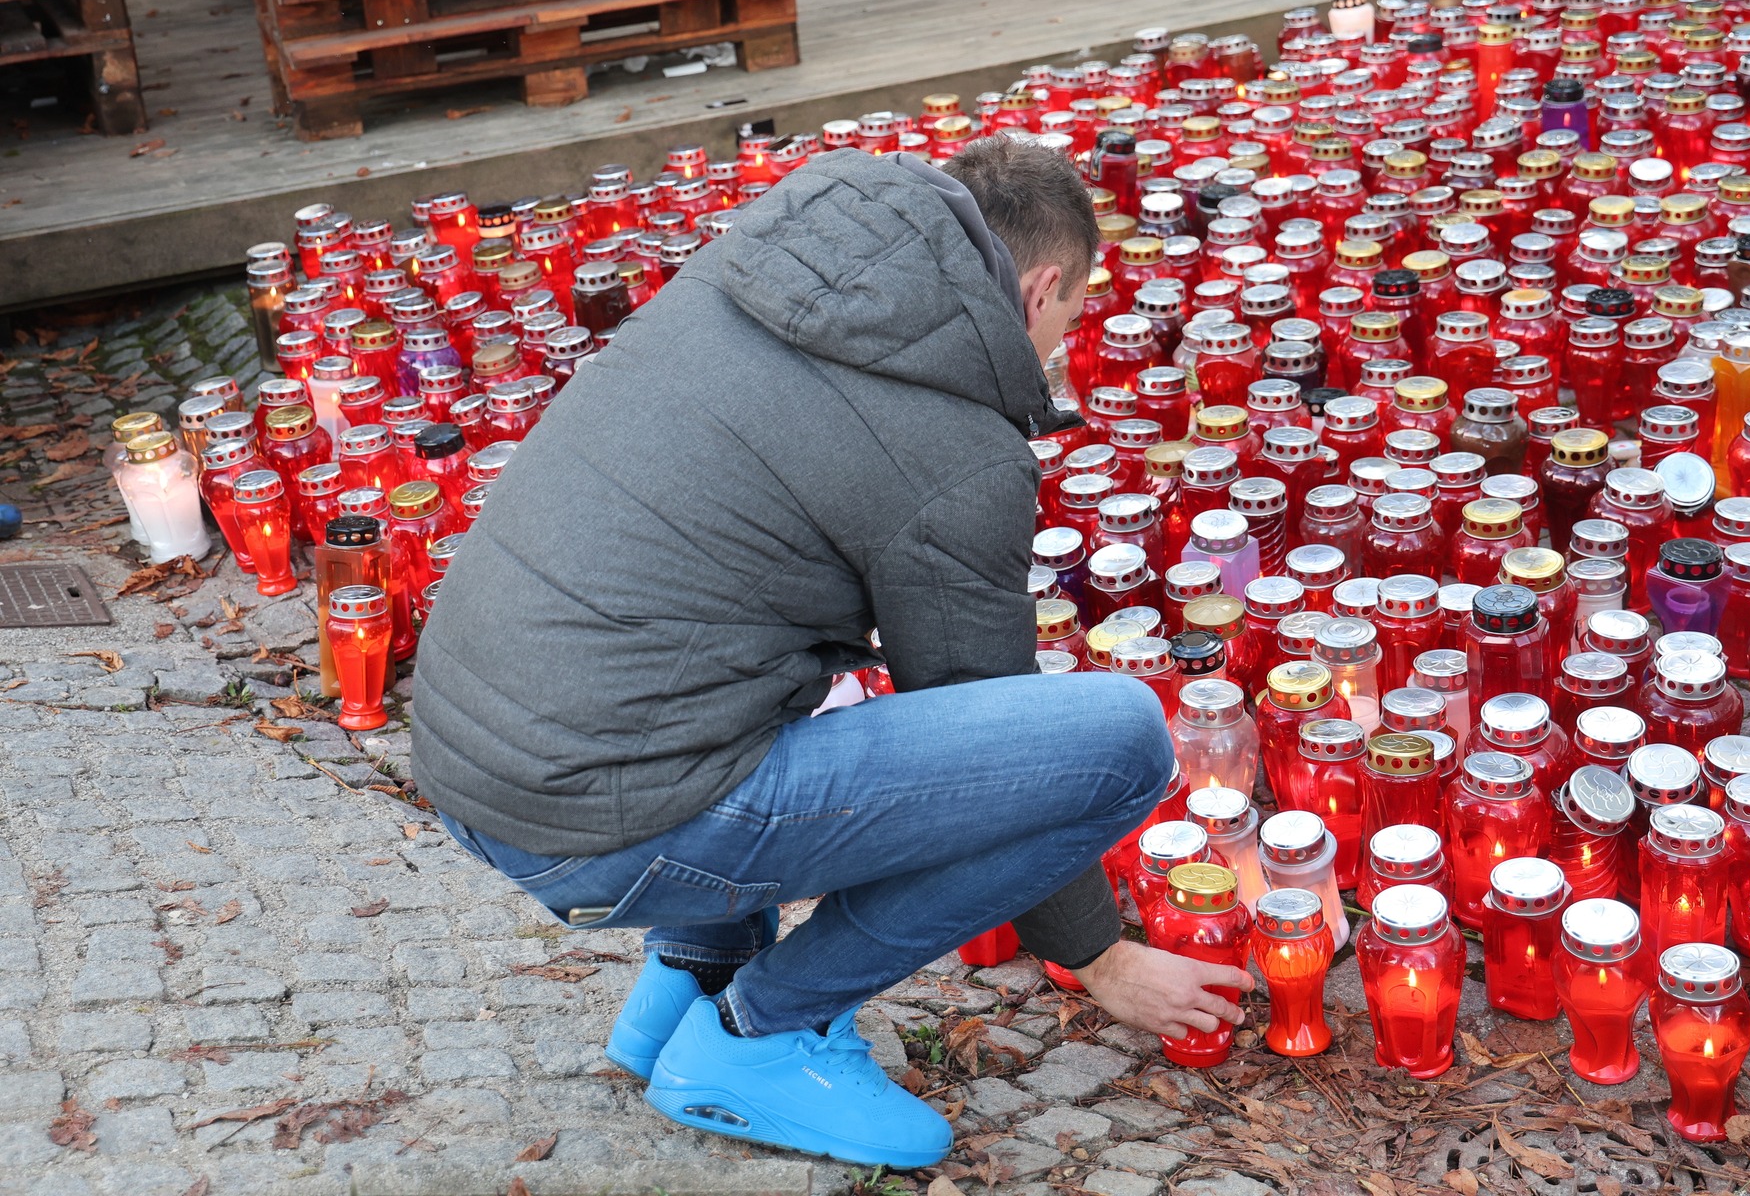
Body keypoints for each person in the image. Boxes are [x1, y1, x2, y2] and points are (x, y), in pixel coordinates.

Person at [412, 137, 1255, 1170]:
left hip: (476, 762)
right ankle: (756, 1036)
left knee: (751, 653)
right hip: (604, 823)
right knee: (1118, 737)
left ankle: (687, 974)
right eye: (1068, 322)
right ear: (1037, 288)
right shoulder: (952, 446)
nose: (1057, 353)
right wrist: (1094, 951)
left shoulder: (750, 277)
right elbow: (998, 734)